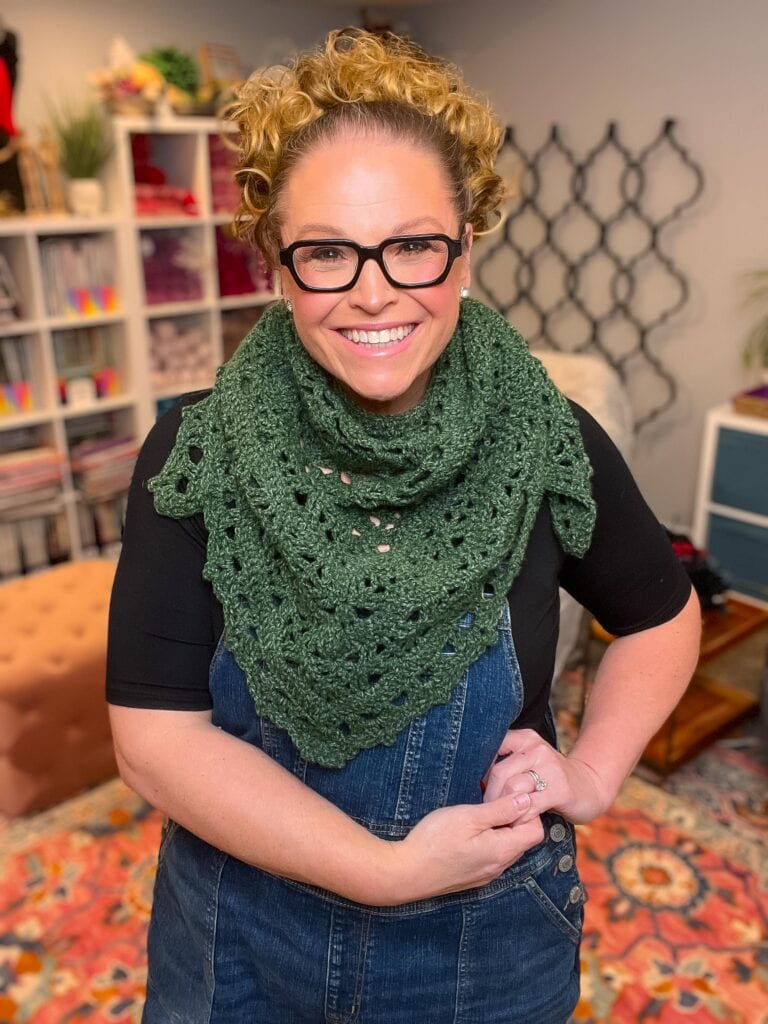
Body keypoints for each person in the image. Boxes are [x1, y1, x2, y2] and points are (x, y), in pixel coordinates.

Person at [106, 27, 701, 1023]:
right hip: (237, 941)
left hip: (483, 950)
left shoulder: (546, 438)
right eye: (328, 252)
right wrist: (381, 869)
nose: (373, 290)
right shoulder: (193, 457)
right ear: (277, 264)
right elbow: (155, 742)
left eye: (413, 245)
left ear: (464, 248)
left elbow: (662, 615)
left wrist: (594, 774)